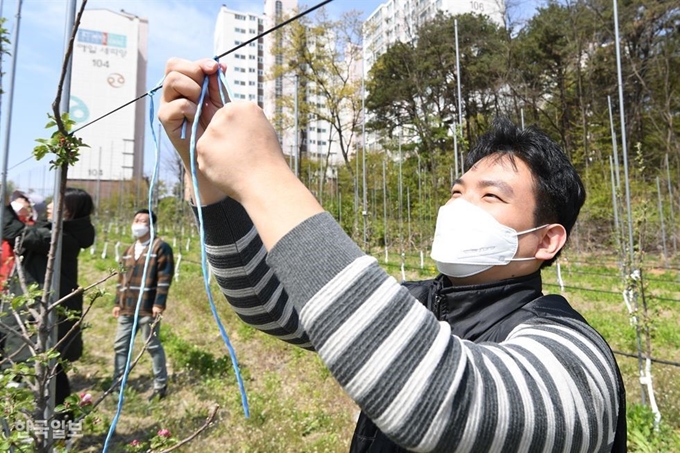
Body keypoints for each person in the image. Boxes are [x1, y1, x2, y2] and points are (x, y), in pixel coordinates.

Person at [158, 58, 626, 452]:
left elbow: (447, 402)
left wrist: (263, 176)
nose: (459, 206)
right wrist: (210, 182)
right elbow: (270, 303)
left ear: (547, 240)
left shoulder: (576, 356)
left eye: (491, 197)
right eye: (457, 191)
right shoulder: (420, 302)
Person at [1, 187, 95, 410]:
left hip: (44, 314)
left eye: (57, 203)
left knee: (45, 368)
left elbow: (15, 231)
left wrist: (7, 210)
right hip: (40, 311)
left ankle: (49, 427)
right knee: (51, 369)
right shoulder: (55, 232)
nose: (50, 207)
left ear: (70, 211)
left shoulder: (59, 237)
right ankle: (55, 426)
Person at [112, 209, 174, 401]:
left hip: (148, 307)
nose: (138, 223)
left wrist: (159, 303)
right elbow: (121, 279)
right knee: (120, 345)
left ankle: (160, 384)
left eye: (143, 221)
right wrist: (117, 302)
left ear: (151, 226)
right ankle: (118, 383)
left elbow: (164, 278)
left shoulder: (160, 248)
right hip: (127, 307)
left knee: (152, 345)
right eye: (136, 219)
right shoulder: (128, 250)